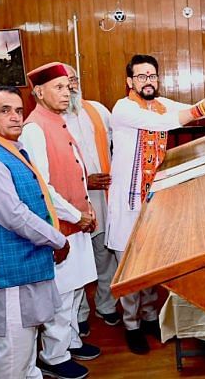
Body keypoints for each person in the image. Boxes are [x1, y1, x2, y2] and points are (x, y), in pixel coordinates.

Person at [107, 54, 205, 354]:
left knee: (152, 262)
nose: (148, 82)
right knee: (130, 266)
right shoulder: (124, 108)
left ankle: (149, 316)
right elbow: (164, 122)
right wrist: (202, 108)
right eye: (141, 76)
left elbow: (186, 111)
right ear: (129, 82)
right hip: (128, 199)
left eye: (152, 76)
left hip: (154, 196)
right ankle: (132, 324)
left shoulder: (160, 103)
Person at [0, 86, 69, 378]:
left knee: (27, 352)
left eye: (19, 110)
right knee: (13, 353)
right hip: (10, 273)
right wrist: (57, 240)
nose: (15, 117)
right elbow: (14, 215)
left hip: (28, 265)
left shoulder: (13, 150)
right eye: (5, 110)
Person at [19, 62, 100, 379]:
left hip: (78, 222)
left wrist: (86, 211)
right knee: (62, 294)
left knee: (77, 288)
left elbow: (76, 174)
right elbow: (43, 187)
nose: (67, 93)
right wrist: (76, 215)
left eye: (68, 87)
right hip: (60, 227)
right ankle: (53, 355)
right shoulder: (35, 128)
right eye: (58, 87)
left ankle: (72, 342)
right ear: (39, 92)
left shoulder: (58, 121)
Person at [62, 64, 122, 337]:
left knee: (105, 253)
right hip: (71, 201)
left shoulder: (98, 109)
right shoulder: (48, 122)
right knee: (75, 258)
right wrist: (86, 180)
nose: (71, 87)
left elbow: (117, 145)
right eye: (64, 83)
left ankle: (106, 305)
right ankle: (80, 313)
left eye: (74, 80)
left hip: (104, 195)